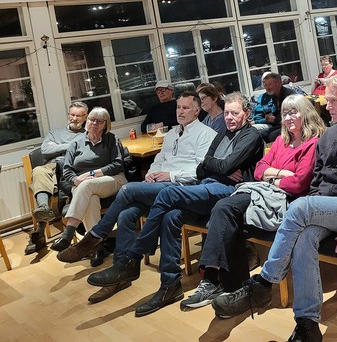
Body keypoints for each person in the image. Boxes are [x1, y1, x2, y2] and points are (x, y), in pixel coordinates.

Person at [208, 74, 337, 342]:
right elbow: (317, 181)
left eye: (333, 101)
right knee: (304, 237)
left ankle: (262, 284)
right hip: (324, 207)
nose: (327, 106)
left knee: (298, 207)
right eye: (327, 100)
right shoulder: (328, 135)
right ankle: (307, 325)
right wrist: (314, 208)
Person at [79, 93, 264, 316]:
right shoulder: (222, 132)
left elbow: (221, 166)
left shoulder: (251, 136)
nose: (229, 117)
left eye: (235, 113)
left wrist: (215, 165)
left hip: (229, 191)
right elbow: (204, 167)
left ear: (247, 113)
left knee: (166, 193)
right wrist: (216, 165)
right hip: (207, 184)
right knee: (170, 216)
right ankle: (170, 285)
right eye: (226, 113)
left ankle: (133, 256)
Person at [55, 92, 216, 303]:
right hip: (160, 186)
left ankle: (95, 237)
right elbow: (159, 159)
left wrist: (170, 175)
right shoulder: (171, 134)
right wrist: (152, 173)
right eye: (178, 107)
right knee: (127, 214)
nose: (181, 111)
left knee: (128, 190)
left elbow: (201, 169)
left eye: (186, 108)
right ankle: (121, 273)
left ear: (197, 111)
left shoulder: (206, 134)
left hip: (183, 188)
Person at [180, 94, 325, 310]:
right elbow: (258, 170)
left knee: (224, 209)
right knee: (227, 217)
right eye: (285, 113)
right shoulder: (281, 140)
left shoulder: (312, 143)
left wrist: (271, 175)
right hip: (263, 192)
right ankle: (234, 287)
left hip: (286, 200)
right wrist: (281, 174)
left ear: (307, 114)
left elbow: (298, 184)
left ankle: (213, 280)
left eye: (293, 112)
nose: (288, 118)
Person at [50, 107, 127, 252]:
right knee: (90, 200)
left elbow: (118, 165)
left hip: (112, 180)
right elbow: (67, 170)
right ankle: (98, 248)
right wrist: (75, 180)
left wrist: (93, 174)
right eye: (92, 119)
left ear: (106, 124)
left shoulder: (111, 139)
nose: (94, 123)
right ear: (87, 121)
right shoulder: (76, 143)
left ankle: (68, 233)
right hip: (82, 185)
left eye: (99, 121)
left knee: (86, 186)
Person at [25, 101, 88, 255]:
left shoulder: (88, 133)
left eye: (78, 116)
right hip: (52, 166)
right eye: (72, 115)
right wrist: (71, 145)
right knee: (38, 171)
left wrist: (58, 146)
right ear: (68, 115)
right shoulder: (55, 133)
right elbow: (46, 150)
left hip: (74, 167)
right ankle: (43, 208)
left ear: (85, 117)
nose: (74, 118)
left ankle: (39, 232)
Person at [251, 72, 293, 141]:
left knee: (271, 136)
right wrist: (270, 117)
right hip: (280, 124)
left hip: (291, 126)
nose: (267, 87)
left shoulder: (288, 96)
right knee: (260, 135)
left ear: (279, 83)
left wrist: (274, 119)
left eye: (270, 84)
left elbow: (291, 117)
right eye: (266, 85)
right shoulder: (274, 96)